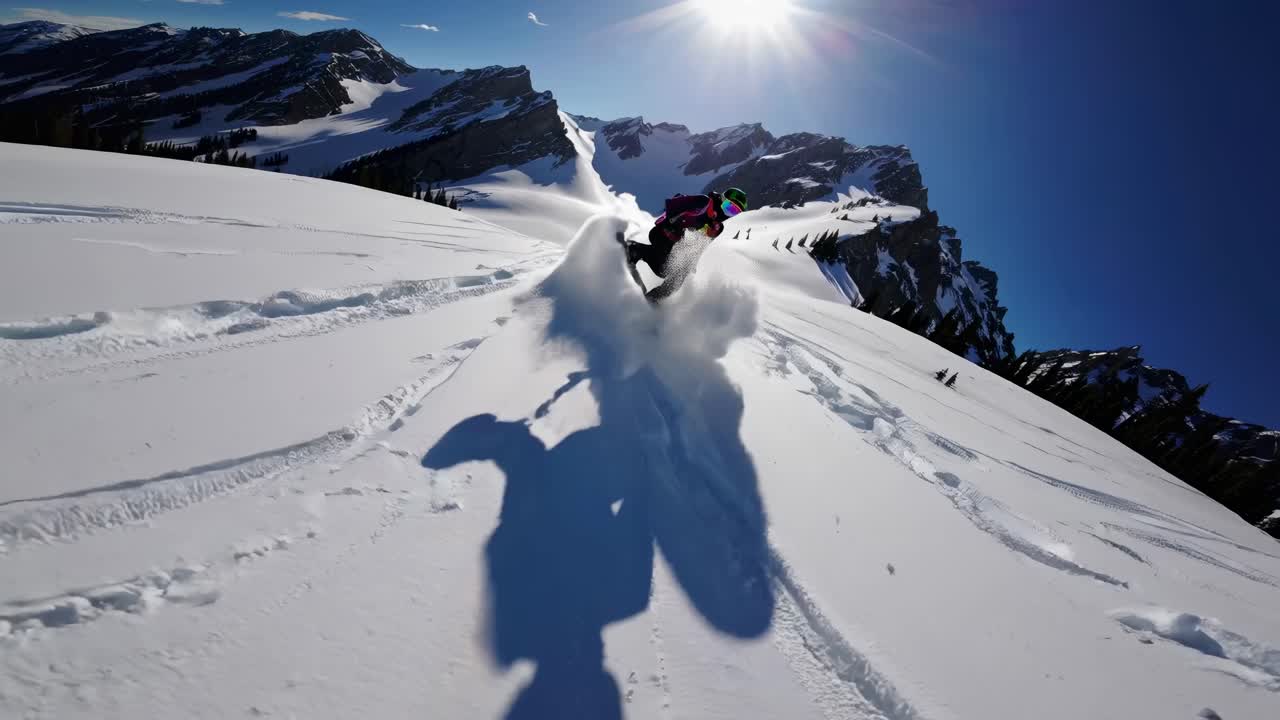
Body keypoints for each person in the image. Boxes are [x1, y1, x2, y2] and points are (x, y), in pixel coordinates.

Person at [620, 187, 748, 301]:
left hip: (677, 243)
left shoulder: (717, 227)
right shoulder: (704, 202)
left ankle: (653, 300)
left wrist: (692, 262)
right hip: (664, 233)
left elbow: (701, 245)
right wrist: (675, 222)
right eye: (728, 206)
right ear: (721, 199)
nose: (727, 213)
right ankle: (632, 249)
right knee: (663, 264)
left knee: (676, 274)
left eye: (734, 211)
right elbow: (673, 204)